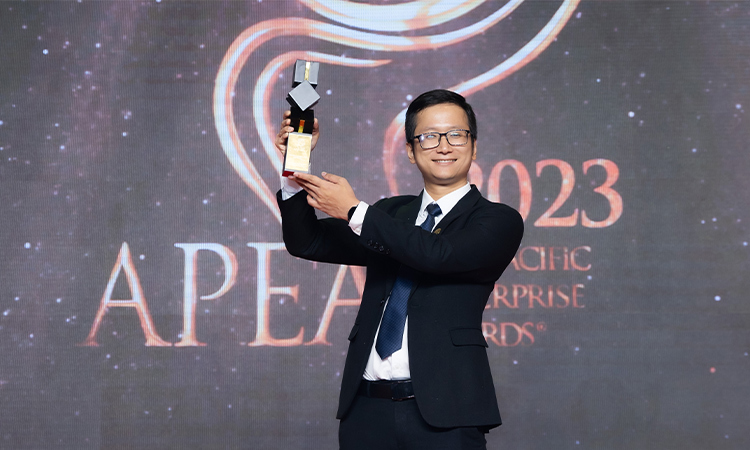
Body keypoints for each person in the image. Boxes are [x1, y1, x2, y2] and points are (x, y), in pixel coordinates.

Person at [274, 89, 524, 450]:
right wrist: (294, 164)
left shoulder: (497, 220)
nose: (444, 146)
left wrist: (355, 211)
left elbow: (438, 255)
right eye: (429, 136)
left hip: (447, 416)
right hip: (366, 411)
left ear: (473, 146)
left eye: (456, 135)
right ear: (410, 150)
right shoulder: (391, 213)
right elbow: (308, 242)